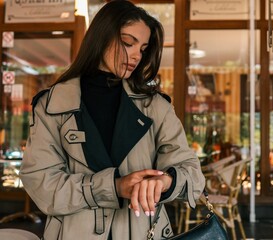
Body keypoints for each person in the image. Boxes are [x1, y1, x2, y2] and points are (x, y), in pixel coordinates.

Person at [19, 1, 205, 239]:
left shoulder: (155, 106)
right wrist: (115, 187)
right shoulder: (52, 106)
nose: (137, 55)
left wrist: (166, 181)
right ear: (102, 37)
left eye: (143, 48)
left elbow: (193, 175)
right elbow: (42, 184)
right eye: (128, 43)